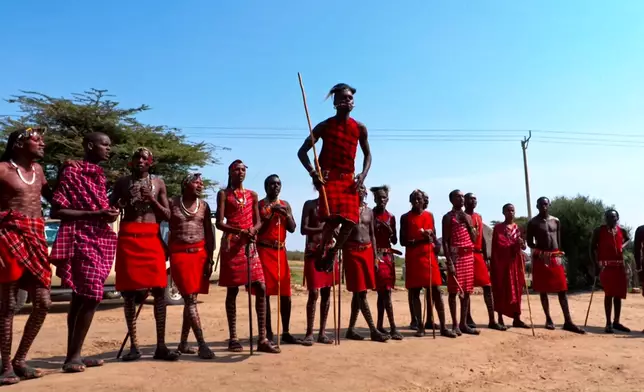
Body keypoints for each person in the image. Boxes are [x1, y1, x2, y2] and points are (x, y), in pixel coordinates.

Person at [49, 132, 119, 373]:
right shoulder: (71, 172)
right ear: (90, 146)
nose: (109, 149)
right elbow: (58, 211)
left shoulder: (99, 176)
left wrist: (107, 212)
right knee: (91, 295)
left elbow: (96, 207)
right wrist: (96, 215)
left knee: (80, 296)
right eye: (105, 145)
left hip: (98, 237)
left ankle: (74, 355)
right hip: (80, 237)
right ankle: (72, 357)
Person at [110, 147, 180, 361]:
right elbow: (111, 206)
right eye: (136, 157)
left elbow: (168, 214)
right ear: (132, 162)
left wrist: (152, 199)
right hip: (129, 237)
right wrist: (121, 202)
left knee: (159, 290)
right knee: (129, 293)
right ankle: (134, 346)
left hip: (151, 238)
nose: (139, 160)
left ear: (151, 162)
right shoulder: (122, 183)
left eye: (144, 158)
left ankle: (161, 346)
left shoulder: (158, 183)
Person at [297, 83, 372, 272]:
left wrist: (362, 175)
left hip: (349, 180)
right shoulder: (325, 126)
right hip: (329, 178)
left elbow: (368, 155)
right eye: (343, 98)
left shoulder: (360, 128)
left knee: (350, 220)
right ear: (335, 102)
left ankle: (333, 252)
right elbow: (302, 152)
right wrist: (314, 173)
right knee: (331, 220)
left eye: (350, 98)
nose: (347, 100)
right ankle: (322, 250)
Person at [0, 128, 53, 384]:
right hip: (8, 240)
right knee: (8, 306)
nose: (42, 143)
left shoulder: (39, 172)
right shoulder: (2, 170)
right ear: (19, 144)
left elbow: (55, 200)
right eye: (36, 139)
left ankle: (21, 359)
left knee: (43, 302)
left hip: (36, 238)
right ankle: (6, 366)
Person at [216, 160, 280, 354]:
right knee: (233, 290)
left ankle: (262, 337)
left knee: (260, 285)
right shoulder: (224, 194)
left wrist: (253, 230)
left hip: (250, 243)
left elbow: (258, 221)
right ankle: (233, 337)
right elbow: (219, 223)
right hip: (232, 244)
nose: (241, 172)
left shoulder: (252, 195)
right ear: (230, 172)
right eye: (237, 169)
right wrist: (238, 230)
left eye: (243, 169)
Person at [169, 173, 215, 359]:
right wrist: (165, 247)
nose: (200, 186)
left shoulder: (204, 206)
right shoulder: (172, 203)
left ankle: (183, 343)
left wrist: (210, 259)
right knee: (190, 300)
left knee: (191, 300)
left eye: (201, 183)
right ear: (186, 184)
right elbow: (159, 224)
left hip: (200, 255)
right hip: (180, 255)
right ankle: (202, 344)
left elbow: (209, 234)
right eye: (197, 182)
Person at [526, 197, 585, 334]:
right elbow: (529, 242)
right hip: (541, 258)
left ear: (549, 205)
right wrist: (540, 252)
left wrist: (559, 254)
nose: (543, 207)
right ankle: (548, 319)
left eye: (546, 204)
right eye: (541, 204)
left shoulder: (556, 221)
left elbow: (558, 240)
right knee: (543, 289)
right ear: (537, 206)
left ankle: (568, 321)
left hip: (555, 257)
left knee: (562, 288)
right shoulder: (533, 223)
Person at [401, 190, 455, 338]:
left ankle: (443, 327)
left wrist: (433, 241)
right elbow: (403, 241)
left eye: (419, 199)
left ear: (424, 201)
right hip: (413, 258)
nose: (417, 201)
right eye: (414, 199)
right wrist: (420, 240)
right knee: (415, 292)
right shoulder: (405, 217)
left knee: (436, 290)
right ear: (410, 201)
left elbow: (435, 237)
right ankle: (420, 326)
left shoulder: (430, 215)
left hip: (429, 257)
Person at [257, 174, 301, 345]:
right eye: (272, 184)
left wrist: (287, 215)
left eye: (278, 184)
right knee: (265, 293)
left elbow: (292, 228)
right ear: (266, 186)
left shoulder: (285, 204)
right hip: (265, 250)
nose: (276, 187)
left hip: (280, 251)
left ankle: (286, 331)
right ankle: (267, 332)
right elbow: (259, 230)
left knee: (286, 294)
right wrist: (271, 213)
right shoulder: (260, 205)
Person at [343, 185, 388, 342]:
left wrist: (375, 256)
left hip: (367, 251)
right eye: (357, 190)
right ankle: (373, 330)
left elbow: (372, 234)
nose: (360, 192)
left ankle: (350, 329)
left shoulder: (369, 212)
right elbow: (338, 228)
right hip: (352, 251)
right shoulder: (347, 209)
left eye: (362, 189)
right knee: (360, 291)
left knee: (360, 291)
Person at [301, 195, 340, 346]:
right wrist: (324, 228)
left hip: (328, 252)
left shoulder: (335, 207)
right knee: (313, 292)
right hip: (313, 252)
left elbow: (337, 230)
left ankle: (322, 333)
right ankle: (309, 333)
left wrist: (336, 230)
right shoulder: (310, 204)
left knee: (326, 292)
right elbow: (303, 229)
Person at [464, 193, 505, 331]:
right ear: (464, 201)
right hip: (467, 255)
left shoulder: (479, 217)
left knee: (487, 287)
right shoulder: (462, 217)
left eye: (475, 198)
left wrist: (487, 256)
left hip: (479, 255)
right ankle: (467, 318)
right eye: (470, 198)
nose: (473, 201)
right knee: (466, 289)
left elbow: (482, 239)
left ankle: (492, 320)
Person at [442, 190, 478, 336]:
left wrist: (469, 223)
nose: (462, 199)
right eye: (458, 196)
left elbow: (475, 239)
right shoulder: (448, 217)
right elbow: (445, 241)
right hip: (455, 257)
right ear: (451, 200)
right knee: (453, 291)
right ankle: (455, 324)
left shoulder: (468, 217)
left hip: (468, 256)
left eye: (463, 196)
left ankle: (464, 323)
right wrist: (449, 261)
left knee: (467, 292)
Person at [589, 209, 630, 334]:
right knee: (609, 293)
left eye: (613, 217)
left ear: (617, 218)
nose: (611, 219)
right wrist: (595, 264)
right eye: (608, 217)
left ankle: (616, 322)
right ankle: (608, 323)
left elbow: (627, 239)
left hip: (619, 267)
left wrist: (622, 246)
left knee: (618, 295)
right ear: (605, 218)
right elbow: (591, 248)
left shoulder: (621, 230)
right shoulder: (599, 231)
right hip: (606, 268)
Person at [370, 185, 402, 340]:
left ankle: (382, 325)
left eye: (383, 197)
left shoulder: (391, 217)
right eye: (378, 197)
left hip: (388, 256)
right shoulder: (370, 215)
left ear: (387, 199)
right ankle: (391, 327)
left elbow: (395, 240)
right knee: (383, 293)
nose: (381, 200)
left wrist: (390, 231)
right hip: (375, 256)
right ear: (374, 199)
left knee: (385, 292)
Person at [490, 204, 530, 328]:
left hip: (516, 263)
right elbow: (500, 245)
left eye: (512, 210)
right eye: (508, 210)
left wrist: (522, 244)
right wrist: (514, 245)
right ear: (503, 212)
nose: (510, 212)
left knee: (518, 290)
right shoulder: (498, 228)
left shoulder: (517, 228)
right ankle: (500, 319)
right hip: (503, 263)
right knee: (502, 289)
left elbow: (523, 247)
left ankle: (517, 318)